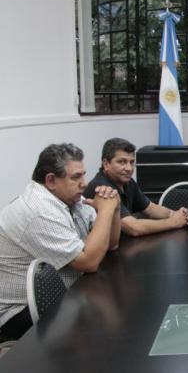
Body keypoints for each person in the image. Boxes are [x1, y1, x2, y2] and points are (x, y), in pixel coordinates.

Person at [0, 143, 121, 341]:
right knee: (108, 325)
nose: (84, 183)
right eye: (76, 177)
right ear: (51, 180)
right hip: (19, 313)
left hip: (61, 295)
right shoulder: (38, 210)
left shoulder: (69, 199)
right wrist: (106, 211)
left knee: (115, 309)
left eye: (83, 174)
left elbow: (111, 244)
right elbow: (89, 262)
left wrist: (114, 207)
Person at [84, 138, 188, 237]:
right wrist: (173, 222)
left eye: (131, 162)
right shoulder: (102, 188)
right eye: (122, 162)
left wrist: (176, 214)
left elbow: (150, 208)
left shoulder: (127, 181)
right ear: (106, 164)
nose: (129, 168)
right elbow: (133, 228)